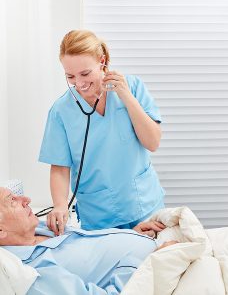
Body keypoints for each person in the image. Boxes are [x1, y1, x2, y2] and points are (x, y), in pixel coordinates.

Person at [39, 29, 165, 236]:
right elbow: (60, 167)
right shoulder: (61, 111)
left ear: (102, 62)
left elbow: (153, 142)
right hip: (99, 216)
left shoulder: (132, 87)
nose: (79, 83)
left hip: (144, 204)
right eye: (70, 76)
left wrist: (126, 96)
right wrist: (60, 205)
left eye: (85, 73)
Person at [0, 187, 173, 295]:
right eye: (12, 201)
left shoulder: (43, 228)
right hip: (159, 269)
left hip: (156, 243)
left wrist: (130, 235)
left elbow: (89, 249)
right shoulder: (34, 272)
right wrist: (151, 263)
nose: (26, 200)